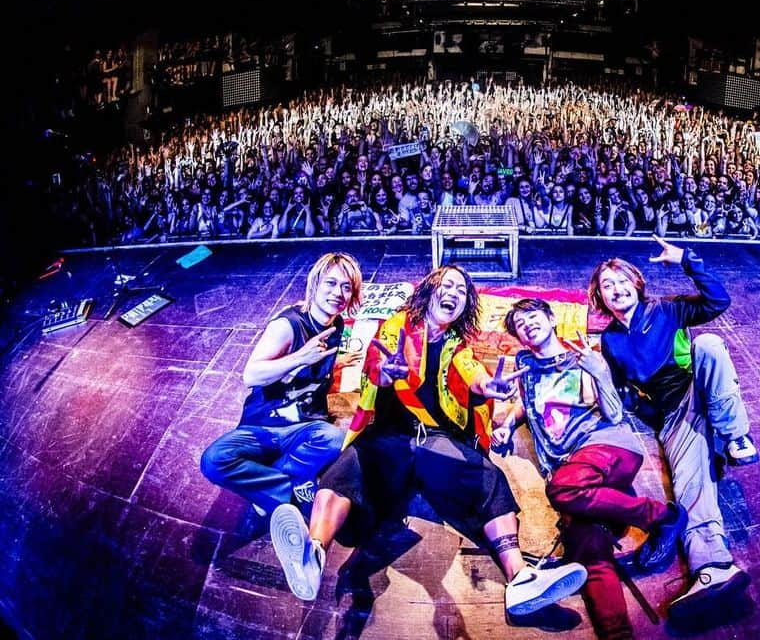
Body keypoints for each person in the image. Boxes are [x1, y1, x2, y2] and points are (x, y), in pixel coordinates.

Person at [268, 265, 588, 616]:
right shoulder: (396, 326)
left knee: (489, 478)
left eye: (461, 291)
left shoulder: (459, 344)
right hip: (388, 437)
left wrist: (488, 387)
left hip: (435, 441)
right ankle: (313, 555)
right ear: (428, 291)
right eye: (446, 285)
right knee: (345, 470)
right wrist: (385, 374)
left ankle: (521, 580)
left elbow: (472, 372)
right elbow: (376, 364)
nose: (453, 293)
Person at [587, 237, 756, 622]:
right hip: (674, 419)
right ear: (601, 298)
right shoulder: (610, 340)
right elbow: (620, 391)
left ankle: (735, 437)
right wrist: (633, 406)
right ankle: (713, 569)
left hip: (698, 390)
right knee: (688, 486)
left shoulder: (667, 310)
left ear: (637, 282)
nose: (617, 288)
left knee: (710, 344)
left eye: (622, 279)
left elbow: (718, 302)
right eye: (607, 285)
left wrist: (685, 259)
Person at [497, 298, 687, 640]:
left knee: (562, 489)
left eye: (532, 316)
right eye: (519, 324)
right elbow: (528, 404)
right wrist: (508, 424)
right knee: (589, 551)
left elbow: (614, 414)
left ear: (551, 318)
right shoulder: (523, 364)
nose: (527, 324)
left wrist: (599, 372)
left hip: (606, 446)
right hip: (570, 469)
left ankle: (662, 516)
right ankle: (618, 634)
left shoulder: (582, 356)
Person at [200, 252, 363, 518]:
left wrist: (338, 360)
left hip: (306, 425)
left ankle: (269, 487)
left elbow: (314, 363)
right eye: (331, 284)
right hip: (264, 426)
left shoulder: (337, 323)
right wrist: (301, 357)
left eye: (346, 287)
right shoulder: (287, 325)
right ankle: (289, 490)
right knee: (214, 461)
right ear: (315, 284)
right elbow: (251, 375)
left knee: (341, 439)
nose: (338, 293)